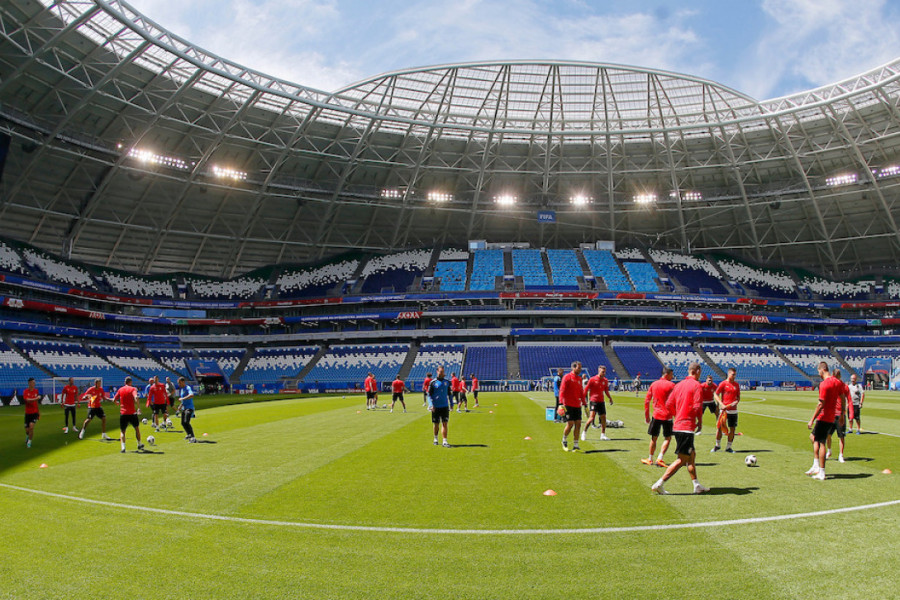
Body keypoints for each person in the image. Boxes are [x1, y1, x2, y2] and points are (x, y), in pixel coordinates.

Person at [651, 363, 708, 495]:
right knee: (682, 459)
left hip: (677, 425)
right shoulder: (697, 385)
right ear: (697, 371)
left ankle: (696, 485)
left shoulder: (678, 385)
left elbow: (669, 404)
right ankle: (659, 483)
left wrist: (678, 415)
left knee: (691, 455)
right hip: (686, 427)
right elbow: (697, 407)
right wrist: (699, 422)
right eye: (700, 372)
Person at [806, 362, 845, 480]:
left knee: (821, 442)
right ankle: (816, 465)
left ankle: (821, 471)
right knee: (813, 437)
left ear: (822, 370)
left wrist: (812, 419)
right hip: (832, 416)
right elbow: (843, 398)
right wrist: (842, 414)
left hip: (824, 417)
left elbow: (820, 404)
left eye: (818, 371)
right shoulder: (837, 382)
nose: (818, 373)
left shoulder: (824, 384)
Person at [643, 367, 675, 467]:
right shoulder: (672, 385)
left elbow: (647, 401)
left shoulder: (654, 384)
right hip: (667, 416)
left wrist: (647, 416)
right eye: (671, 375)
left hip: (656, 415)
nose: (672, 377)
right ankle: (660, 458)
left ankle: (650, 459)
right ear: (667, 374)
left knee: (654, 438)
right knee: (668, 438)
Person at [559, 361, 586, 452]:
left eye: (581, 368)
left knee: (578, 424)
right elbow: (562, 390)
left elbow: (581, 392)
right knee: (570, 424)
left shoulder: (579, 379)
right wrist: (560, 404)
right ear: (573, 368)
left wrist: (585, 404)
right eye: (579, 368)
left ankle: (576, 445)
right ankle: (564, 440)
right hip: (568, 405)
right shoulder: (567, 377)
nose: (580, 370)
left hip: (577, 405)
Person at [712, 368, 740, 453]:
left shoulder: (736, 385)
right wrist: (721, 404)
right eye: (733, 374)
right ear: (729, 374)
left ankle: (728, 447)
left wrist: (736, 402)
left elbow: (738, 397)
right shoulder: (723, 384)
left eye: (735, 375)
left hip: (733, 411)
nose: (734, 376)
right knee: (719, 428)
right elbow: (716, 394)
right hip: (724, 411)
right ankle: (717, 445)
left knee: (732, 429)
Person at [582, 365, 614, 441]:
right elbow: (586, 389)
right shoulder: (592, 379)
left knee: (603, 418)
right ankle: (584, 432)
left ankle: (603, 435)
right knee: (591, 418)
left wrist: (610, 398)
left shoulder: (605, 380)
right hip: (593, 401)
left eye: (605, 372)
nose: (604, 373)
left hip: (601, 401)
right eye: (603, 372)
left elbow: (606, 391)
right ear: (599, 371)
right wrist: (583, 399)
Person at [113, 377, 144, 453]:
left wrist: (116, 402)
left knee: (122, 431)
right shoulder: (133, 389)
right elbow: (136, 397)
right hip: (132, 413)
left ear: (125, 382)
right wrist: (138, 408)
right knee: (136, 429)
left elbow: (114, 399)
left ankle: (123, 448)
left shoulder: (120, 389)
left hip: (123, 413)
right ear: (131, 382)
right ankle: (139, 444)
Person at [826, 369, 850, 463]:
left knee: (841, 436)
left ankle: (841, 455)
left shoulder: (844, 386)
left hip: (840, 414)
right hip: (831, 414)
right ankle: (829, 450)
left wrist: (846, 411)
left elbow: (848, 399)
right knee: (828, 434)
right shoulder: (830, 385)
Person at [427, 365, 452, 447]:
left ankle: (445, 441)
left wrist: (451, 404)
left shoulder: (447, 382)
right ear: (437, 371)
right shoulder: (433, 382)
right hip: (435, 407)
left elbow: (449, 394)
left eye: (443, 372)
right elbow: (429, 395)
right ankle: (435, 438)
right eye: (440, 371)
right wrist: (431, 405)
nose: (442, 373)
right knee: (436, 424)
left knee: (445, 423)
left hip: (445, 406)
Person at [177, 377, 197, 442]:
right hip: (184, 408)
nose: (179, 384)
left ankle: (193, 437)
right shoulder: (182, 389)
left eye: (179, 383)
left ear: (183, 382)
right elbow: (183, 400)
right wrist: (180, 405)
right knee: (183, 423)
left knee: (186, 422)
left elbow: (191, 395)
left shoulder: (188, 388)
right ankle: (189, 434)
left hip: (189, 407)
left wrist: (182, 399)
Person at [23, 378, 40, 448]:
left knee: (31, 427)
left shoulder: (36, 391)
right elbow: (27, 400)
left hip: (34, 413)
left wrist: (38, 412)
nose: (34, 384)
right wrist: (36, 398)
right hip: (28, 413)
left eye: (34, 382)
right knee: (27, 430)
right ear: (29, 383)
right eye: (33, 382)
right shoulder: (25, 391)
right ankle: (27, 435)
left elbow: (36, 403)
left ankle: (29, 441)